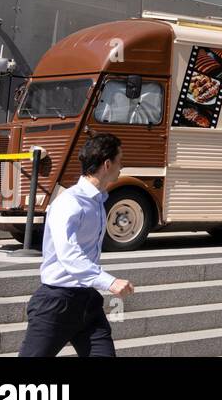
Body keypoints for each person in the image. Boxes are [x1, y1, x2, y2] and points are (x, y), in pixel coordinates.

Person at [18, 133, 135, 357]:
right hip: (56, 304)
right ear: (107, 164)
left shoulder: (98, 200)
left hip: (87, 302)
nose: (122, 166)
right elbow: (68, 254)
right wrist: (109, 282)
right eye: (120, 161)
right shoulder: (69, 203)